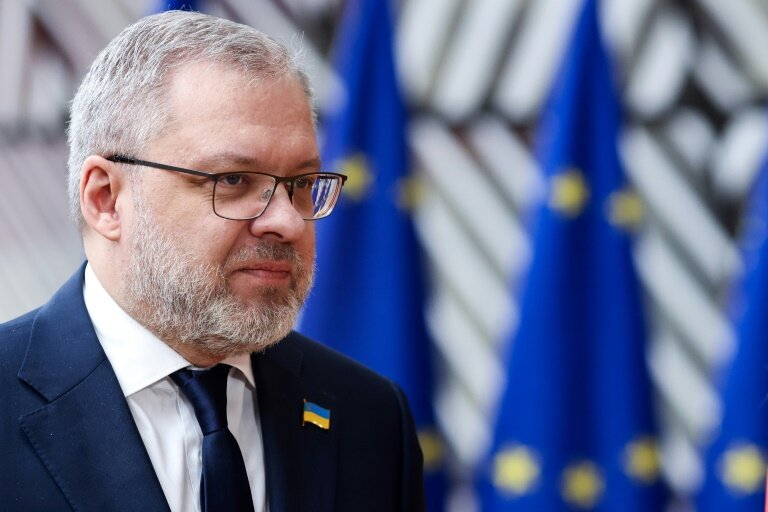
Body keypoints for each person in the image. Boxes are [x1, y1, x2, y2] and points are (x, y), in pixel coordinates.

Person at [0, 10, 425, 512]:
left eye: (302, 184)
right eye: (233, 180)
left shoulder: (370, 418)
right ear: (106, 199)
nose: (288, 222)